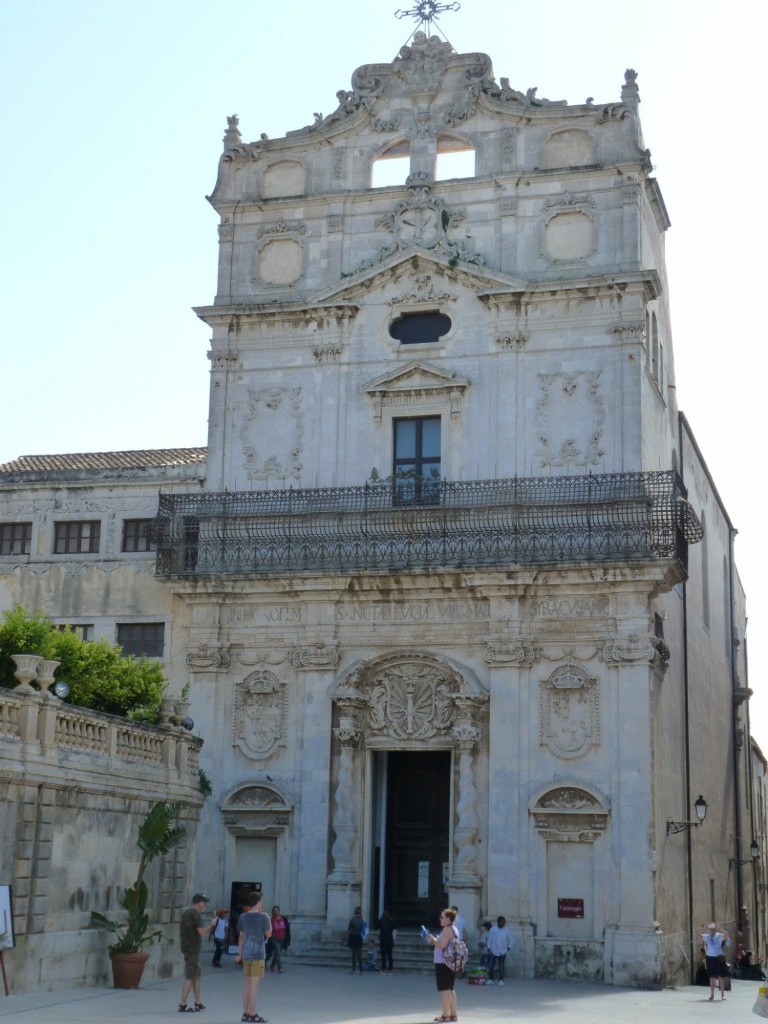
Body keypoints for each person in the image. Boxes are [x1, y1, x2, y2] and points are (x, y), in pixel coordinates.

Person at [238, 892, 272, 1023]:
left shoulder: (243, 916)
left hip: (246, 953)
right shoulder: (263, 917)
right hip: (258, 953)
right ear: (258, 902)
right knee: (254, 985)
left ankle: (246, 1012)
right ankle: (252, 1013)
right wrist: (268, 918)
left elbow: (240, 938)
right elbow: (269, 934)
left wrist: (240, 954)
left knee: (247, 984)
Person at [179, 892, 214, 1012]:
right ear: (199, 902)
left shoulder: (186, 913)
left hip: (186, 948)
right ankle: (182, 1004)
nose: (205, 905)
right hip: (193, 949)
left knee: (196, 975)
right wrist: (211, 925)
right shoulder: (196, 915)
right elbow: (202, 932)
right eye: (204, 902)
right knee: (190, 976)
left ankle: (198, 1002)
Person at [426, 907, 459, 1023]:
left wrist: (432, 939)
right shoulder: (454, 929)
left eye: (442, 917)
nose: (440, 919)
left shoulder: (446, 930)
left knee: (444, 990)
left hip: (443, 963)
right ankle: (453, 1015)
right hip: (451, 963)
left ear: (448, 919)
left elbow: (441, 945)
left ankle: (445, 1016)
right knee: (450, 989)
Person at [699, 921, 730, 1001]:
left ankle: (722, 995)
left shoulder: (719, 936)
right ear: (709, 930)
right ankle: (712, 995)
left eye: (713, 929)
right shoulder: (707, 936)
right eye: (710, 929)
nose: (712, 931)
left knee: (720, 977)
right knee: (711, 977)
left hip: (719, 957)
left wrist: (720, 929)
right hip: (710, 957)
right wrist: (703, 929)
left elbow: (727, 936)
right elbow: (698, 937)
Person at [487, 915, 512, 985]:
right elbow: (490, 939)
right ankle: (490, 979)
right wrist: (489, 948)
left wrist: (509, 947)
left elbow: (510, 939)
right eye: (502, 922)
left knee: (501, 966)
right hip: (493, 950)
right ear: (498, 922)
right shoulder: (493, 929)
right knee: (491, 965)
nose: (504, 924)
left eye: (504, 922)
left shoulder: (507, 930)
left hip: (502, 951)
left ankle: (501, 980)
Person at [268, 905, 290, 973]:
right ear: (272, 912)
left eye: (277, 911)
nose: (276, 912)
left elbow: (287, 929)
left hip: (282, 938)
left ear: (279, 911)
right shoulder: (271, 920)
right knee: (278, 952)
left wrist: (288, 938)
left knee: (278, 953)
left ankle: (272, 965)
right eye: (274, 911)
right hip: (274, 938)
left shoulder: (284, 919)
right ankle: (279, 967)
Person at [347, 906, 365, 974]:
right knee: (359, 954)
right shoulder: (362, 920)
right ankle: (361, 969)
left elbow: (349, 929)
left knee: (353, 954)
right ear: (360, 912)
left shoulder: (352, 920)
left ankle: (353, 969)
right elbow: (364, 929)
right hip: (359, 937)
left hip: (353, 936)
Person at [377, 910, 396, 974]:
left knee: (383, 955)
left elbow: (376, 926)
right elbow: (396, 926)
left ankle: (384, 968)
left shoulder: (381, 920)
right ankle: (390, 968)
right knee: (389, 955)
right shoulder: (391, 920)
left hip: (383, 940)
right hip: (389, 940)